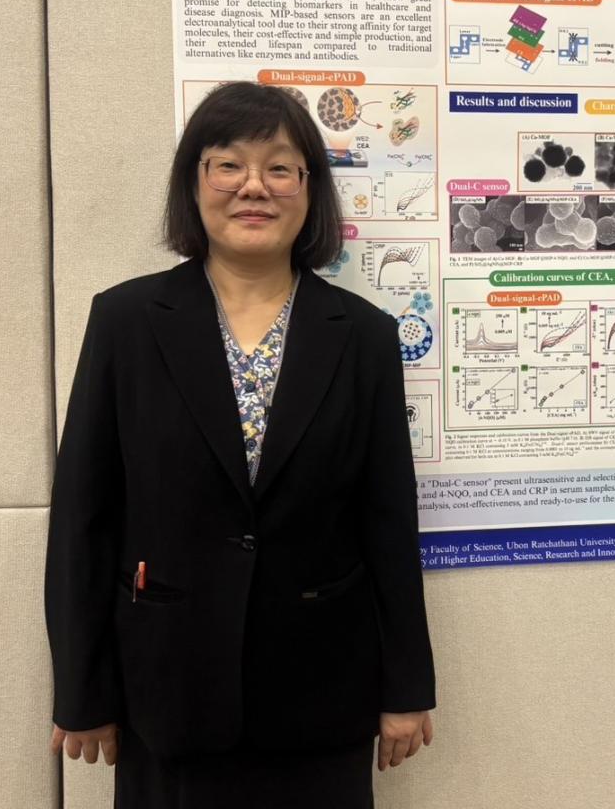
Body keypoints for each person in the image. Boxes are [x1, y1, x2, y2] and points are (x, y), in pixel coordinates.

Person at [44, 81, 435, 808]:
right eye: (228, 164)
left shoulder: (363, 336)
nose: (254, 186)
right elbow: (82, 519)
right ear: (193, 181)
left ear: (309, 190)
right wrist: (81, 689)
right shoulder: (126, 321)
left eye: (280, 167)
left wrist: (407, 687)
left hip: (323, 692)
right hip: (167, 692)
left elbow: (387, 521)